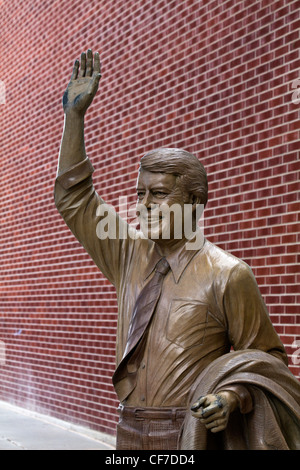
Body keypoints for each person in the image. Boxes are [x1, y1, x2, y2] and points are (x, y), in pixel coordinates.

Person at [54, 50, 300, 450]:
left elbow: (268, 361)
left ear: (194, 201)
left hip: (189, 436)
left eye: (160, 194)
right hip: (128, 433)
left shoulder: (227, 274)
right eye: (140, 194)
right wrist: (74, 118)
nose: (144, 205)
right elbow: (74, 199)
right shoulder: (128, 253)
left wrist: (231, 398)